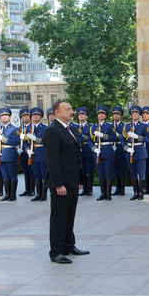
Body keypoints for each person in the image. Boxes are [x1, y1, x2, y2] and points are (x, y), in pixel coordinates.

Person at [43, 100, 88, 264]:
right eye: (67, 109)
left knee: (69, 216)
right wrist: (58, 184)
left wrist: (79, 179)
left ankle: (69, 245)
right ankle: (56, 252)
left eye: (71, 108)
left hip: (72, 181)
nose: (72, 111)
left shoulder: (72, 129)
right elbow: (52, 160)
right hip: (61, 183)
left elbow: (76, 157)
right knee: (59, 218)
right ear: (57, 113)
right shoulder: (52, 130)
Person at [121, 105, 149, 200]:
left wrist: (137, 137)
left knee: (141, 174)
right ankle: (135, 192)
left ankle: (141, 193)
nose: (135, 115)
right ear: (131, 115)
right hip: (130, 152)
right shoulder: (126, 126)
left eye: (137, 113)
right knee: (133, 173)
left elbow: (148, 139)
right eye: (133, 113)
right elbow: (122, 139)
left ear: (139, 115)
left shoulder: (144, 126)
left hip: (140, 152)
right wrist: (126, 148)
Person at [90, 106, 117, 201]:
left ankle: (108, 194)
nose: (100, 115)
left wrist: (104, 136)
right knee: (101, 174)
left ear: (105, 116)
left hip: (107, 151)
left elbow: (115, 138)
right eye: (99, 114)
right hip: (97, 153)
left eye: (103, 114)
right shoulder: (93, 126)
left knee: (108, 173)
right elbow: (90, 140)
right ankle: (103, 193)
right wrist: (94, 149)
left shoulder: (109, 126)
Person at [0, 108, 20, 202]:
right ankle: (7, 194)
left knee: (12, 175)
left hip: (10, 153)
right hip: (1, 155)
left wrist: (2, 139)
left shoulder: (14, 129)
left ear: (9, 117)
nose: (4, 117)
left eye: (6, 115)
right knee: (5, 176)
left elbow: (16, 142)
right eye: (2, 116)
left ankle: (13, 194)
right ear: (0, 118)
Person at [27, 108, 48, 202]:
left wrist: (36, 139)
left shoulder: (45, 128)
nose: (36, 116)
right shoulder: (28, 129)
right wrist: (27, 150)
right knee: (36, 175)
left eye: (38, 115)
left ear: (40, 117)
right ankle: (38, 193)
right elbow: (25, 142)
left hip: (42, 153)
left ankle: (44, 194)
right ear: (31, 117)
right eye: (34, 115)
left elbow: (47, 141)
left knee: (44, 175)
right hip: (33, 154)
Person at [75, 107, 96, 196]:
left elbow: (93, 138)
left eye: (83, 114)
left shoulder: (91, 127)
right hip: (79, 151)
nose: (81, 116)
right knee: (82, 170)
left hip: (88, 150)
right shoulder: (74, 127)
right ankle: (84, 188)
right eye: (79, 115)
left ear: (86, 116)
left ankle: (90, 189)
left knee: (90, 170)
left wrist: (83, 138)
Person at [18, 109, 35, 197]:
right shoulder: (20, 128)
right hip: (23, 153)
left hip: (30, 152)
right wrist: (18, 148)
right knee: (26, 172)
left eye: (27, 116)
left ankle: (32, 189)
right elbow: (17, 141)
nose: (26, 117)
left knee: (31, 171)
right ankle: (27, 189)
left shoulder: (32, 127)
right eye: (24, 116)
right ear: (21, 118)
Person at [110, 107, 127, 196]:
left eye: (118, 114)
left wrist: (118, 136)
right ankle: (117, 188)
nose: (116, 116)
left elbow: (126, 136)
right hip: (112, 149)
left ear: (120, 116)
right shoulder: (109, 126)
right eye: (114, 114)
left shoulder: (124, 126)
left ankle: (122, 189)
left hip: (121, 148)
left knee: (123, 170)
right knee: (115, 170)